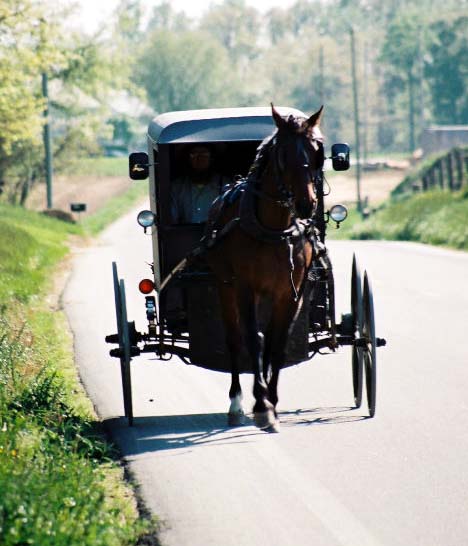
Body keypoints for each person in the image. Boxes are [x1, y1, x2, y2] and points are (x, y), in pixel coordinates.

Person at [171, 144, 232, 224]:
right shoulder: (177, 187)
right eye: (194, 154)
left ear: (212, 158)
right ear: (188, 159)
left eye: (204, 153)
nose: (199, 158)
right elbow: (172, 220)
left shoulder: (226, 185)